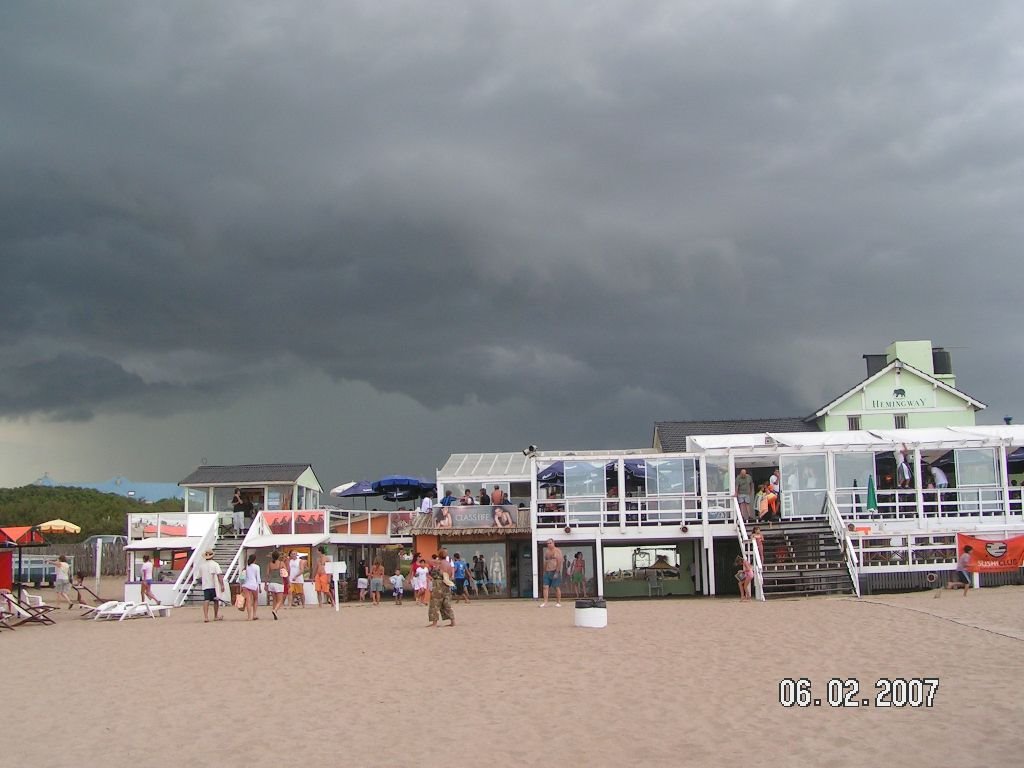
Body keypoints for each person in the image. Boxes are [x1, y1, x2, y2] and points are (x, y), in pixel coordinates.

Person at [426, 548, 455, 628]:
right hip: (446, 583)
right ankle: (452, 621)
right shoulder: (448, 564)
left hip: (438, 583)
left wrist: (435, 561)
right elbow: (450, 574)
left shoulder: (439, 563)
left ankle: (434, 623)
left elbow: (428, 561)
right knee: (446, 603)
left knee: (435, 603)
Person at [540, 539, 563, 607]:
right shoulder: (547, 552)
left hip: (555, 571)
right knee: (545, 587)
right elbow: (545, 562)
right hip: (547, 571)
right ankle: (545, 602)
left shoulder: (557, 551)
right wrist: (544, 571)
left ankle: (558, 602)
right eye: (547, 543)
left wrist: (557, 572)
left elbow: (559, 562)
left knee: (556, 587)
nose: (548, 544)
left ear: (553, 543)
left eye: (550, 543)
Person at [265, 550, 287, 619]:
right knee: (280, 600)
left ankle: (275, 612)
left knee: (274, 599)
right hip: (279, 582)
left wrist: (266, 584)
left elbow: (267, 575)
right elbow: (285, 573)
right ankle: (275, 610)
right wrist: (288, 582)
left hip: (271, 582)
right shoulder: (281, 563)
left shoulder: (270, 564)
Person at [242, 554, 261, 620]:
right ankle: (254, 614)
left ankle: (249, 616)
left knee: (248, 600)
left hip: (246, 584)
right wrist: (260, 586)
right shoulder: (257, 567)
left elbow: (242, 577)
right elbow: (258, 577)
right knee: (255, 599)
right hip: (253, 584)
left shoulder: (246, 567)